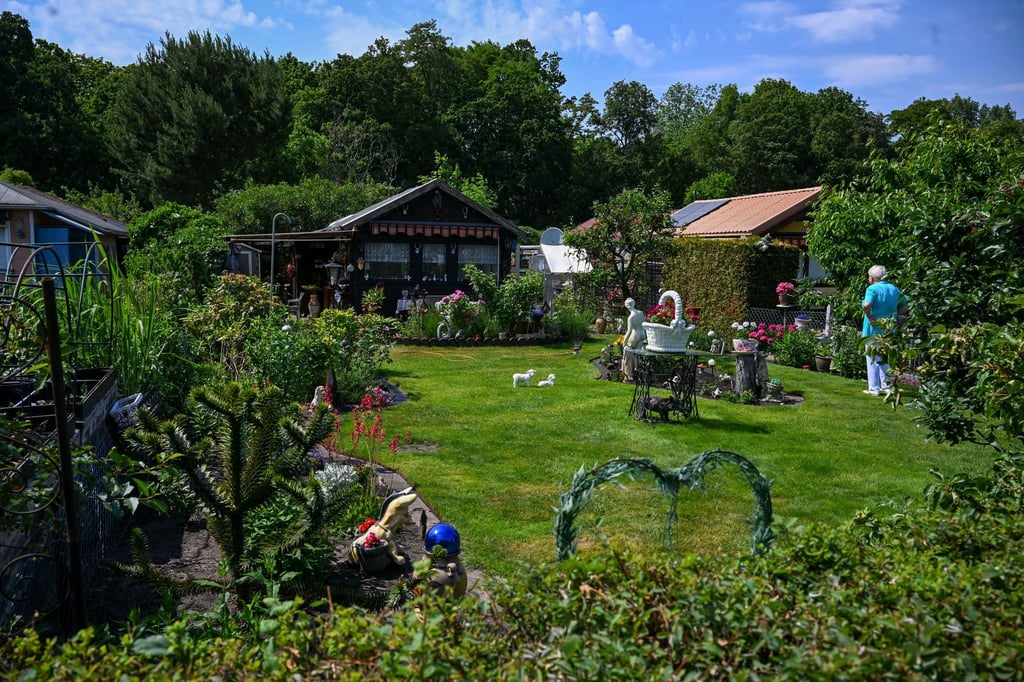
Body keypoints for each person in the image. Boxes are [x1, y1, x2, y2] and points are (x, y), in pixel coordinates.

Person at [861, 265, 908, 396]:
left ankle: (874, 388)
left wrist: (869, 316)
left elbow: (867, 304)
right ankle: (887, 386)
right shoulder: (894, 289)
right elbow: (906, 305)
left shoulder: (872, 289)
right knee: (885, 358)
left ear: (871, 278)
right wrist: (895, 314)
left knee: (872, 358)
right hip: (889, 328)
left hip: (873, 329)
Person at [622, 298, 646, 382]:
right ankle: (639, 371)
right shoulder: (641, 313)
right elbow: (643, 323)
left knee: (629, 353)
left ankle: (629, 374)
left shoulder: (631, 317)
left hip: (635, 335)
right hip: (642, 334)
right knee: (637, 354)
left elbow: (629, 331)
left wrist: (624, 341)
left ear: (626, 306)